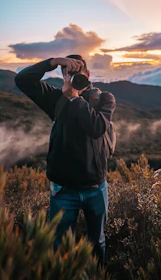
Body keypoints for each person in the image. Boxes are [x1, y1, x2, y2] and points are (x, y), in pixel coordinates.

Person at [14, 54, 116, 265]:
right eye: (68, 73)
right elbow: (21, 80)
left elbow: (97, 128)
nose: (74, 77)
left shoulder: (104, 99)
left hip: (95, 187)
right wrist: (51, 62)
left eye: (78, 73)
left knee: (97, 243)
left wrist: (74, 98)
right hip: (63, 189)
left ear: (87, 75)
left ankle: (96, 275)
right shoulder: (54, 99)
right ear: (63, 75)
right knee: (60, 245)